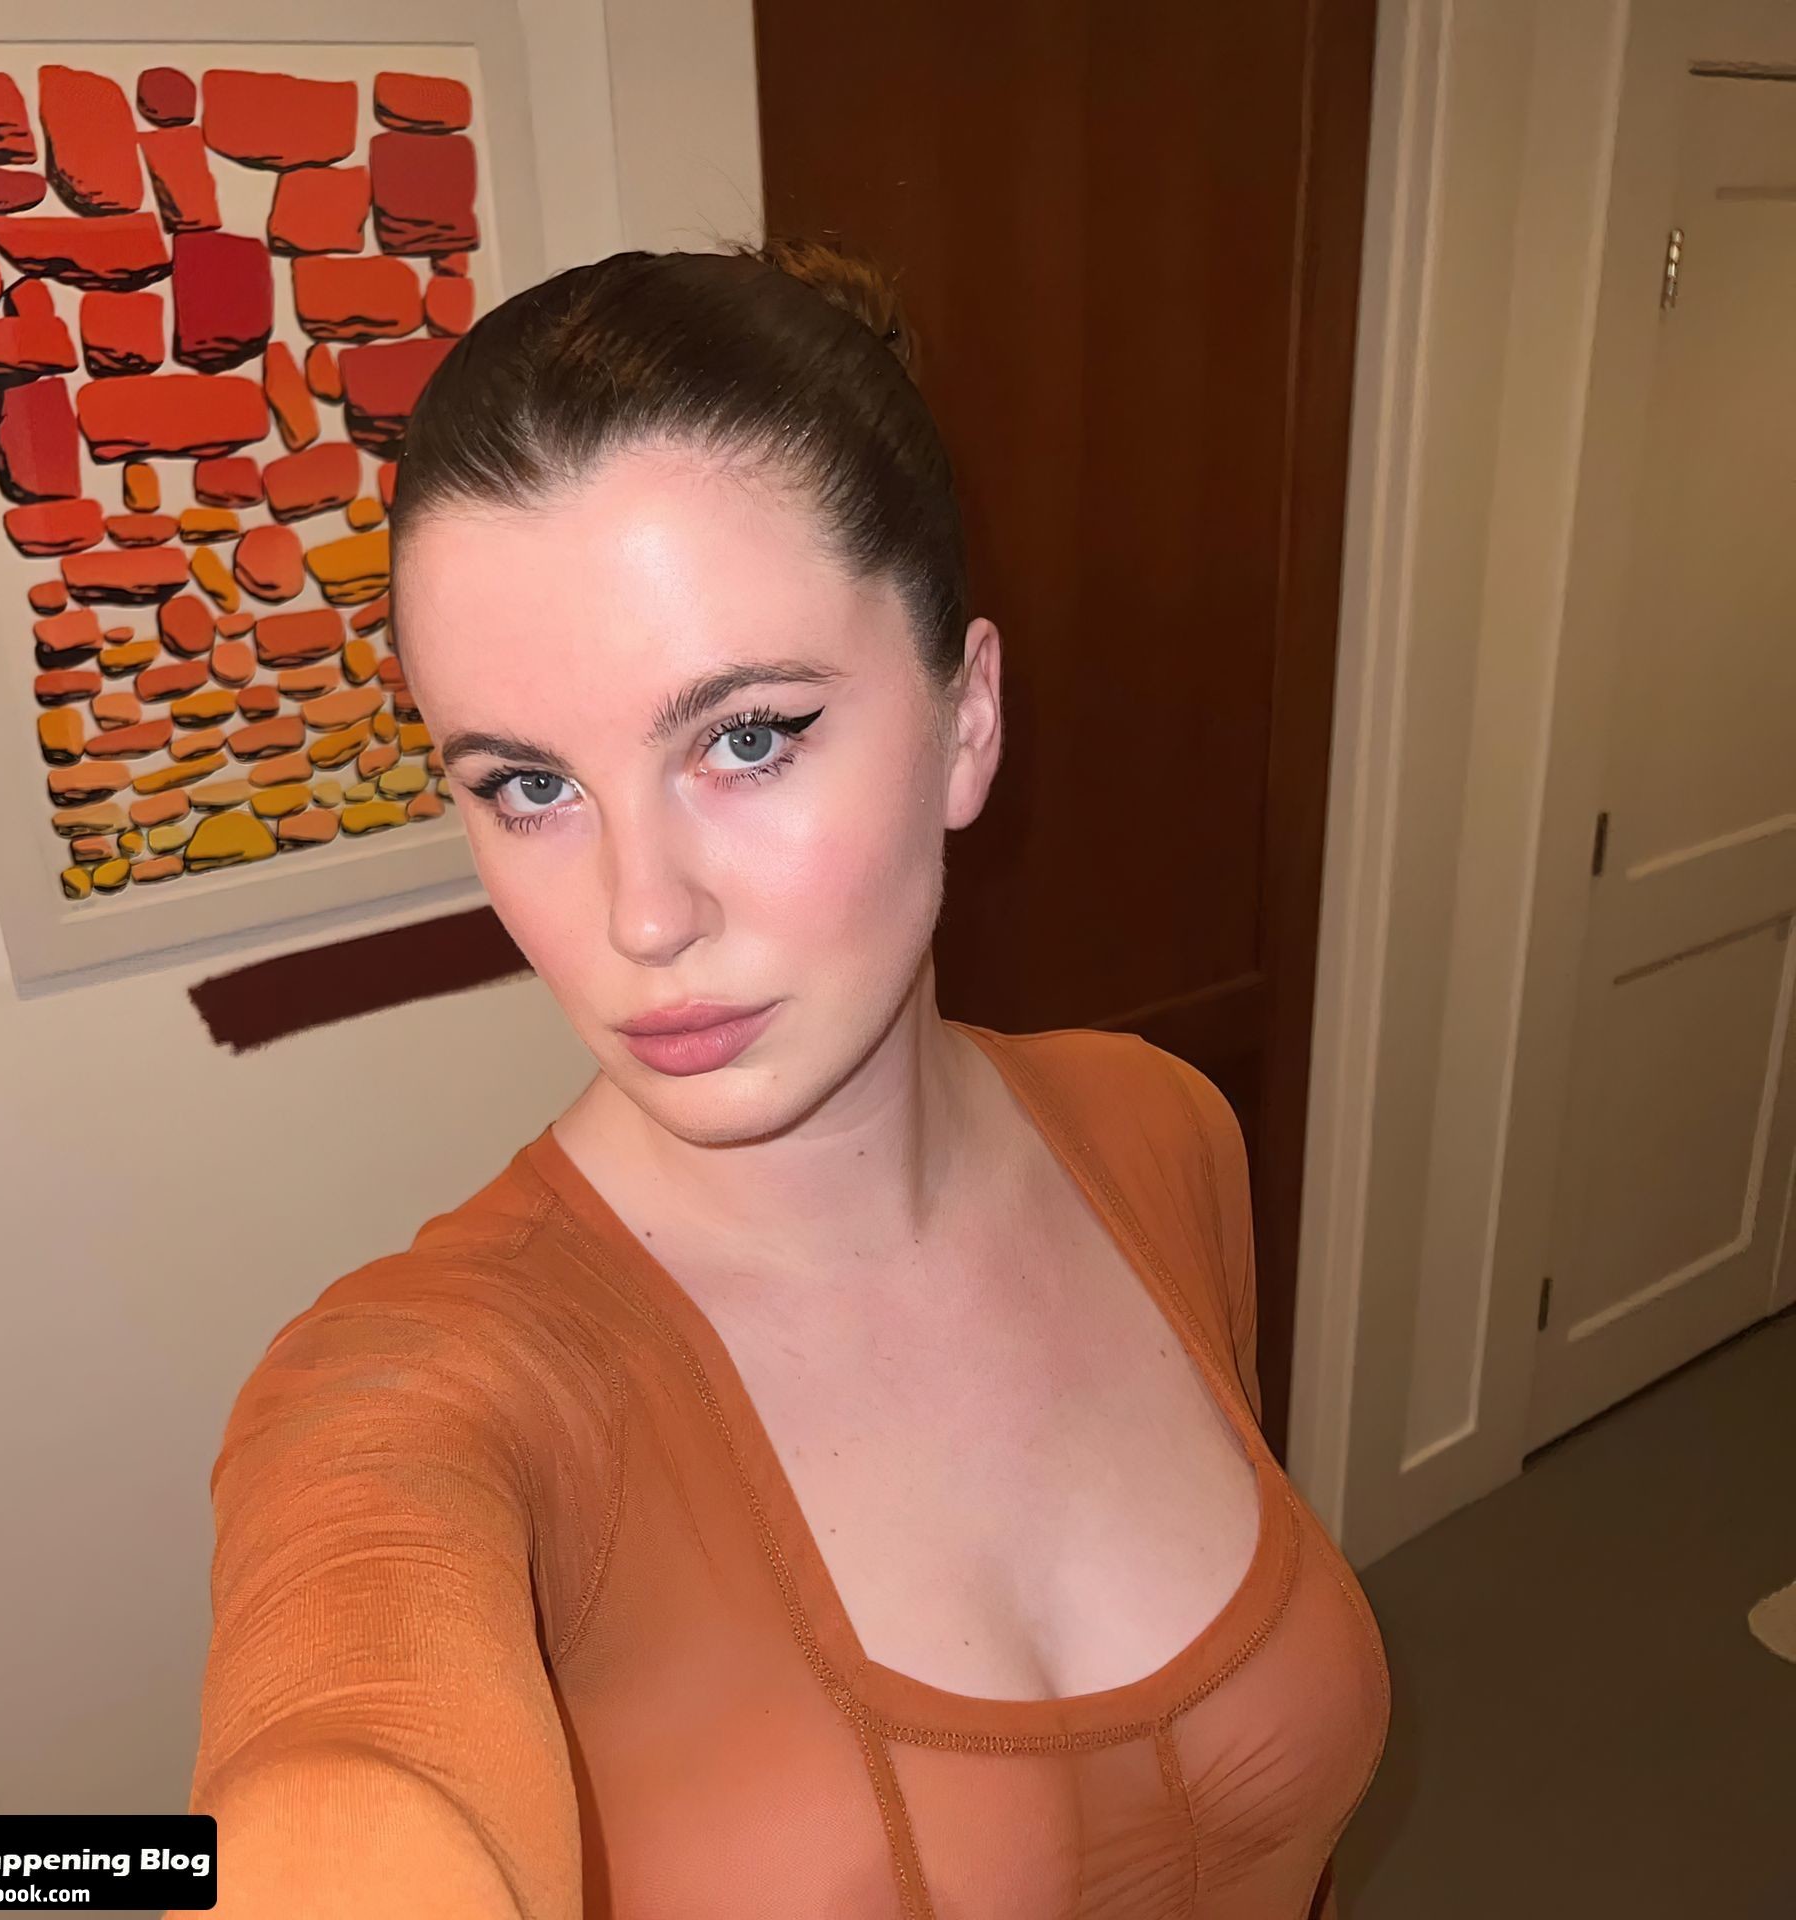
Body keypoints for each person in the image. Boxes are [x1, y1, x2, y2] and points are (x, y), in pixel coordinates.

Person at [178, 238, 1390, 1918]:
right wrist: (13, 1870)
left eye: (744, 739)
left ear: (968, 720)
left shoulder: (1161, 1128)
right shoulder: (423, 1378)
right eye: (528, 786)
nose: (642, 917)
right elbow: (325, 1780)